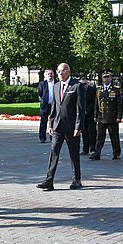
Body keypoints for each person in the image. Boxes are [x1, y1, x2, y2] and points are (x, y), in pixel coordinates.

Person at [37, 62, 84, 190]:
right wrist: (51, 123)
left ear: (68, 71)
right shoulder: (56, 86)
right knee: (54, 152)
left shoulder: (77, 86)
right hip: (58, 126)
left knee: (74, 154)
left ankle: (77, 180)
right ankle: (49, 180)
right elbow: (54, 108)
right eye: (58, 72)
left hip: (71, 127)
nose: (60, 74)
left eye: (63, 71)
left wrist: (78, 127)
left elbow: (80, 108)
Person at [90, 70, 123, 160]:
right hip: (102, 117)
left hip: (112, 117)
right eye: (104, 77)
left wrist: (119, 116)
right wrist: (95, 116)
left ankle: (116, 152)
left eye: (108, 77)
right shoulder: (99, 90)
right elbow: (96, 104)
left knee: (114, 137)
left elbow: (119, 104)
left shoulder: (116, 89)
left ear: (111, 78)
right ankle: (97, 153)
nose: (106, 79)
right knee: (100, 136)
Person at [79, 75, 97, 155]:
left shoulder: (92, 90)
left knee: (92, 132)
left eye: (85, 84)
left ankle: (93, 148)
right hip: (82, 115)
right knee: (84, 132)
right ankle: (85, 149)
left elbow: (94, 102)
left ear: (88, 83)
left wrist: (87, 110)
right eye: (82, 84)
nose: (84, 86)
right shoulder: (79, 90)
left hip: (90, 114)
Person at [38, 69, 55, 143]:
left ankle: (53, 137)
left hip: (54, 105)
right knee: (43, 122)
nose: (50, 75)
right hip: (45, 105)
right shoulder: (42, 84)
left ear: (54, 75)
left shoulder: (57, 83)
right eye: (48, 74)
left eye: (51, 74)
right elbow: (40, 93)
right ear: (46, 75)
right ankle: (42, 138)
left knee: (54, 122)